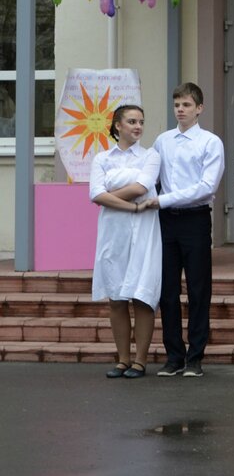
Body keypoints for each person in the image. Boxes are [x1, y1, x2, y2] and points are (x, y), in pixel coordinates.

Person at [147, 82, 225, 378]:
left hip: (195, 219)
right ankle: (174, 356)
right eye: (177, 104)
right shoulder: (162, 141)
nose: (180, 109)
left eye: (187, 105)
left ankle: (195, 357)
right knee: (167, 290)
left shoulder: (210, 142)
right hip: (166, 221)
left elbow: (207, 187)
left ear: (199, 108)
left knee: (198, 289)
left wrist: (163, 199)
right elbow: (152, 177)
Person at [90, 104, 161, 379]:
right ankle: (122, 359)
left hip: (144, 232)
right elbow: (95, 194)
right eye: (132, 121)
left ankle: (140, 361)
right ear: (118, 125)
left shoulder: (150, 155)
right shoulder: (102, 158)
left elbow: (142, 187)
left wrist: (109, 193)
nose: (138, 126)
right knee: (117, 298)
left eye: (141, 121)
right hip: (114, 233)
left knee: (142, 296)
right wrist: (133, 205)